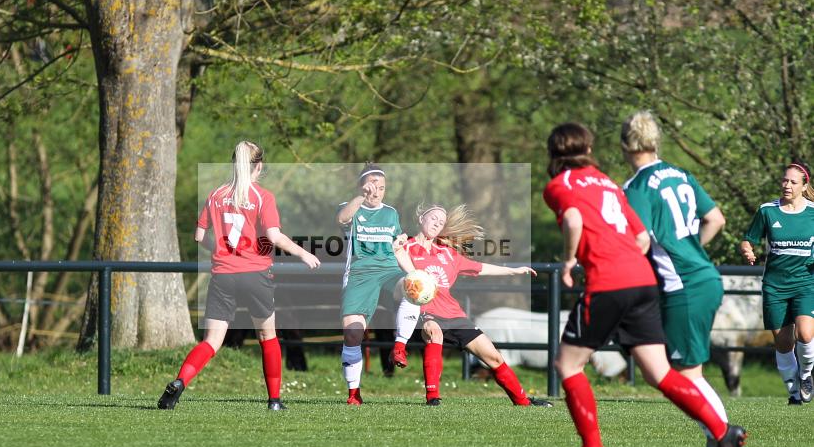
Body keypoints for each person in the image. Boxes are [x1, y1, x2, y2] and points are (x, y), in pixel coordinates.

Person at [542, 122, 746, 447]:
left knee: (568, 365)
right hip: (644, 281)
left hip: (609, 283)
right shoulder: (607, 183)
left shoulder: (561, 185)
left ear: (553, 153)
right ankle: (724, 432)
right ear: (588, 150)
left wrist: (570, 259)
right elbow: (640, 237)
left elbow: (574, 220)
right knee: (660, 372)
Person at [621, 111, 750, 447]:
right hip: (704, 276)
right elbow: (716, 219)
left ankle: (731, 445)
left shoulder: (638, 187)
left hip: (683, 285)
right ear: (656, 141)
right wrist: (694, 251)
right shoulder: (682, 174)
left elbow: (641, 238)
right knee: (686, 369)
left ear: (624, 146)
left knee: (683, 376)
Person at [157, 141, 320, 411]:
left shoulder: (215, 195)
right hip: (255, 275)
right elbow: (273, 236)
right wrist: (303, 254)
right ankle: (275, 401)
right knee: (268, 336)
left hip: (223, 276)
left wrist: (220, 249)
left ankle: (179, 382)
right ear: (259, 166)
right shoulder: (262, 197)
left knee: (211, 341)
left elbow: (199, 236)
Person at [392, 204, 552, 407]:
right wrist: (396, 249)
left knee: (493, 357)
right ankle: (433, 398)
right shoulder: (405, 246)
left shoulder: (448, 253)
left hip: (453, 314)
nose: (437, 224)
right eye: (433, 218)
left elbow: (480, 268)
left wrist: (514, 271)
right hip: (425, 311)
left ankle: (523, 402)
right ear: (421, 218)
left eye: (441, 222)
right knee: (435, 333)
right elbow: (402, 272)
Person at [337, 163, 420, 405]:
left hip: (389, 273)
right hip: (360, 275)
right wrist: (361, 195)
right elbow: (342, 218)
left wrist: (416, 274)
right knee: (353, 335)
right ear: (362, 187)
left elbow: (398, 249)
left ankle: (400, 347)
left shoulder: (391, 213)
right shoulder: (350, 207)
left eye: (381, 188)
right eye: (372, 187)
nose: (377, 192)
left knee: (412, 288)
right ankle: (354, 394)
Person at [740, 161, 814, 405]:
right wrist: (748, 251)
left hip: (805, 283)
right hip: (775, 286)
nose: (787, 185)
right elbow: (747, 240)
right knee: (784, 343)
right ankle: (793, 392)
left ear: (804, 186)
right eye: (784, 180)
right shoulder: (767, 211)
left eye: (793, 182)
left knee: (805, 333)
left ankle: (805, 376)